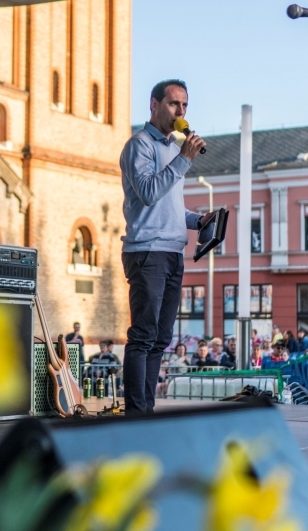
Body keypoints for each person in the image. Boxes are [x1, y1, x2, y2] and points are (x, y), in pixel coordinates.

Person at [119, 79, 207, 416]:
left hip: (172, 252)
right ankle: (136, 414)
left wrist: (200, 220)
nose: (180, 112)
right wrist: (184, 160)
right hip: (147, 251)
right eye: (173, 104)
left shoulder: (173, 149)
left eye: (184, 106)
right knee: (143, 335)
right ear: (154, 105)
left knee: (160, 338)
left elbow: (170, 207)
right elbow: (147, 193)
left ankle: (146, 410)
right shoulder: (139, 145)